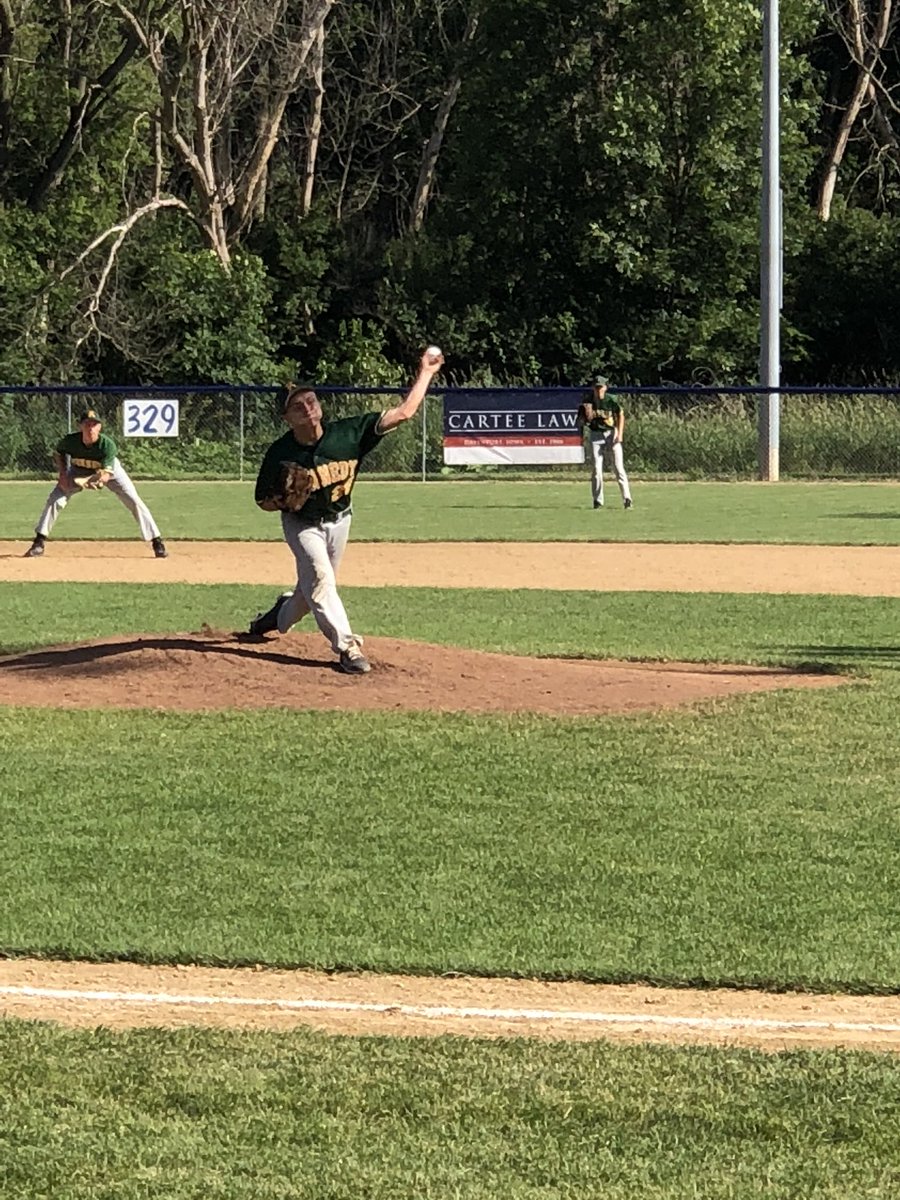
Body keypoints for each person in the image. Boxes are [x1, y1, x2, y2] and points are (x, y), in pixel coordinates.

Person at [248, 347, 445, 675]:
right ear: (286, 418)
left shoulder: (349, 433)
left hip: (341, 521)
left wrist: (426, 372)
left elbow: (404, 413)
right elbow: (261, 501)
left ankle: (275, 617)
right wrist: (281, 501)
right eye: (297, 406)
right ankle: (348, 648)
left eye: (310, 400)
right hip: (302, 525)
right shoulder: (279, 453)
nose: (307, 408)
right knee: (321, 580)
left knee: (306, 597)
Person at [23, 408, 168, 558]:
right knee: (55, 499)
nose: (90, 428)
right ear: (80, 426)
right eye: (87, 424)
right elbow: (59, 453)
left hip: (108, 472)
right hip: (78, 471)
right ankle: (39, 542)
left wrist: (95, 481)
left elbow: (105, 475)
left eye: (94, 424)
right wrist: (63, 475)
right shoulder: (71, 441)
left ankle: (157, 541)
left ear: (99, 427)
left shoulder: (107, 445)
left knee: (133, 500)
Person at [577, 373, 633, 510]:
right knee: (596, 468)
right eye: (596, 387)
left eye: (601, 387)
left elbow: (620, 414)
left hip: (611, 434)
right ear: (593, 388)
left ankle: (627, 499)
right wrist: (584, 419)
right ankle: (598, 501)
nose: (598, 390)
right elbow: (580, 421)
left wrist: (620, 433)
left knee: (618, 467)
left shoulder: (611, 399)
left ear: (606, 387)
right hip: (595, 434)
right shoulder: (588, 400)